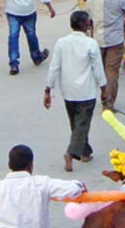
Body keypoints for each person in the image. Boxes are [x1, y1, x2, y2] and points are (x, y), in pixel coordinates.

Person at [44, 10, 107, 171]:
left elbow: (54, 67)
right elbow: (98, 68)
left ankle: (85, 152)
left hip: (68, 91)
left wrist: (48, 89)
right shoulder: (91, 43)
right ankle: (71, 153)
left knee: (77, 124)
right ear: (85, 25)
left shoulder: (61, 43)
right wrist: (103, 88)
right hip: (86, 91)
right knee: (82, 125)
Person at [86, 0, 125, 110]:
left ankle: (94, 98)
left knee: (99, 71)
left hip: (97, 39)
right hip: (115, 39)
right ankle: (108, 103)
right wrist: (124, 27)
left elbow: (87, 18)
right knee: (112, 71)